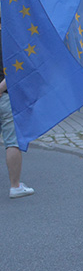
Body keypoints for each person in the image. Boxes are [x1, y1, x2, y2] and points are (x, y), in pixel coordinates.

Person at [0, 18, 33, 199]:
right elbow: (14, 71)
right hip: (5, 97)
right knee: (12, 141)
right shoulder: (7, 39)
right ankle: (15, 185)